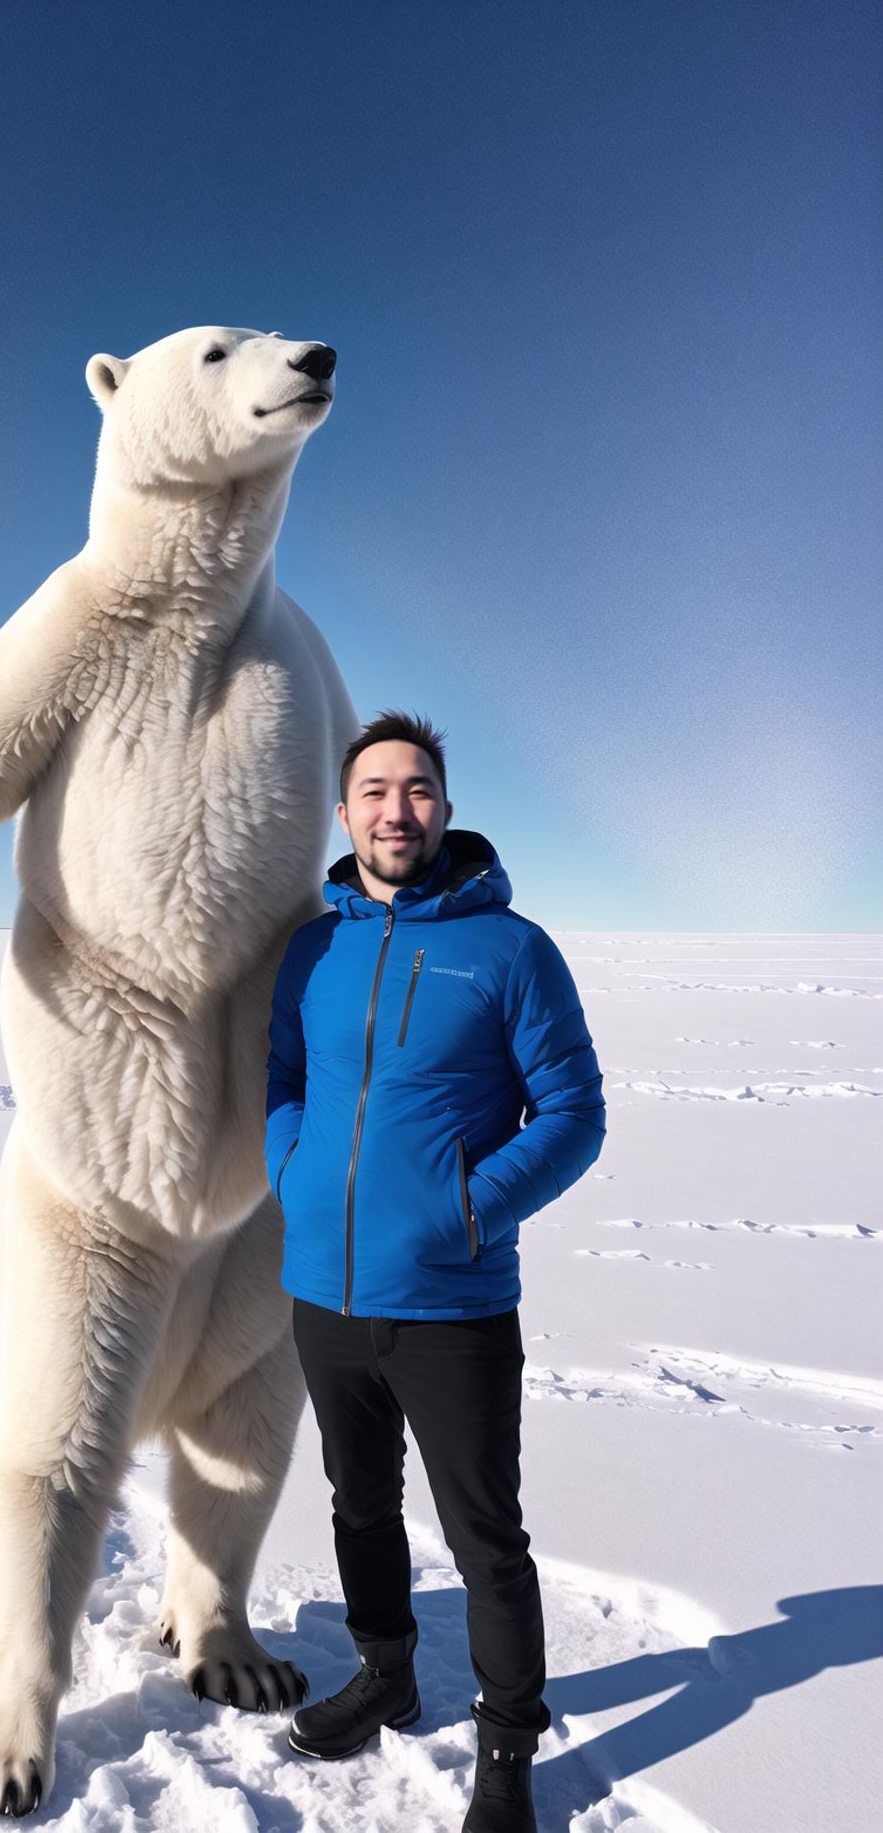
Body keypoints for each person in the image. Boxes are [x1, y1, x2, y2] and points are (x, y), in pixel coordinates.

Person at [264, 710, 606, 1833]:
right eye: (374, 789)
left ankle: (507, 1745)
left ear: (446, 809)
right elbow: (283, 1074)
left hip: (453, 1302)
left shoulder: (512, 948)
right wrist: (295, 1164)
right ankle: (387, 1670)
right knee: (358, 1504)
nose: (395, 809)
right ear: (345, 810)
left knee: (484, 1538)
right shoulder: (314, 947)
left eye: (416, 789)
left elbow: (572, 1115)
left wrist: (468, 1209)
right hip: (324, 1292)